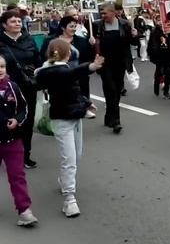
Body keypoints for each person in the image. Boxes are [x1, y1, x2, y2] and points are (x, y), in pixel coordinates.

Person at [35, 39, 103, 218]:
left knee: (76, 156)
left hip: (75, 117)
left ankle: (65, 182)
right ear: (67, 53)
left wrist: (87, 104)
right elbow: (68, 75)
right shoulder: (48, 72)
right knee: (69, 159)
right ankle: (69, 199)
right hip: (61, 120)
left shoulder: (62, 70)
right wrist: (90, 67)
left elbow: (74, 90)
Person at [0, 54, 38, 227]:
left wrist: (17, 120)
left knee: (17, 176)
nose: (0, 70)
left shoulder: (13, 87)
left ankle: (24, 210)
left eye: (2, 66)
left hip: (13, 140)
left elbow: (24, 109)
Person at [0, 10, 41, 169]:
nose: (17, 23)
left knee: (27, 120)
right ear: (4, 25)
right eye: (13, 21)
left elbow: (38, 60)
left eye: (19, 20)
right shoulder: (1, 42)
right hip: (5, 88)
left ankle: (25, 154)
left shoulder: (28, 39)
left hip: (27, 86)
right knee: (6, 121)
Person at [92, 3, 137, 134]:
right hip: (105, 62)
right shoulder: (96, 25)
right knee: (110, 89)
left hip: (120, 62)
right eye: (101, 13)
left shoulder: (125, 24)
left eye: (105, 13)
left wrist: (134, 35)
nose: (102, 15)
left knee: (117, 90)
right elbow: (91, 42)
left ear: (113, 13)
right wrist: (91, 42)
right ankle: (116, 121)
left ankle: (108, 116)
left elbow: (132, 43)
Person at [40, 16, 96, 118]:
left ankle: (80, 115)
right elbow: (43, 57)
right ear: (63, 27)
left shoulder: (81, 41)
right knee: (63, 100)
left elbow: (89, 57)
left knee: (80, 99)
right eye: (71, 26)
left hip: (79, 75)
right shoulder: (51, 41)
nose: (74, 28)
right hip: (58, 75)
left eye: (75, 26)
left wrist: (92, 46)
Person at [148, 15, 170, 100]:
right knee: (159, 72)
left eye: (162, 20)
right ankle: (156, 87)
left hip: (168, 56)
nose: (160, 22)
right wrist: (154, 54)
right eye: (158, 20)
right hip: (159, 56)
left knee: (169, 73)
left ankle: (166, 91)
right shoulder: (155, 31)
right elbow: (152, 45)